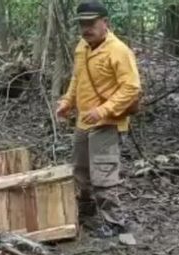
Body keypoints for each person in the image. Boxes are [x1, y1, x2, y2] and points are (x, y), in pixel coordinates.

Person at [56, 0, 141, 237]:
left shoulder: (119, 51)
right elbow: (77, 79)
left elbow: (131, 88)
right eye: (82, 24)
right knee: (80, 171)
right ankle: (86, 213)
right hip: (84, 121)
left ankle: (114, 222)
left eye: (91, 23)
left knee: (103, 173)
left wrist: (104, 110)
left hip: (108, 122)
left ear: (105, 23)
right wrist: (66, 102)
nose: (86, 29)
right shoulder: (82, 47)